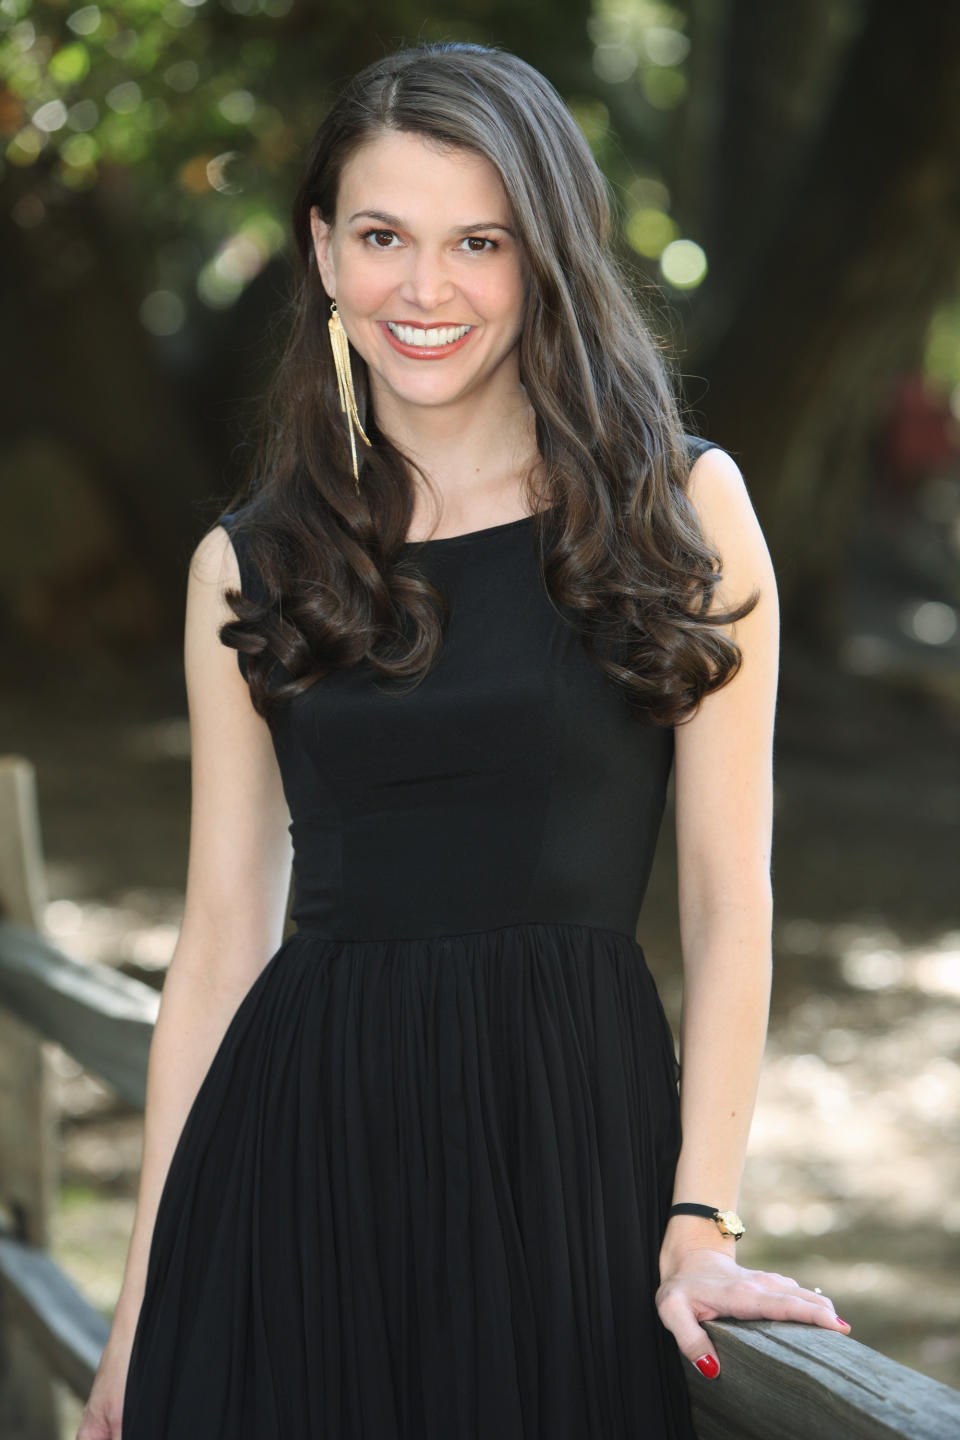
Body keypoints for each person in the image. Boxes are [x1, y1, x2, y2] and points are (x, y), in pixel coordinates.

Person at [78, 39, 851, 1440]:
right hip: (291, 1166)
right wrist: (142, 1308)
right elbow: (215, 945)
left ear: (545, 255)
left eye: (477, 242)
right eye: (382, 236)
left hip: (564, 1154)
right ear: (320, 249)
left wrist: (698, 1219)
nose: (424, 291)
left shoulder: (680, 513)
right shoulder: (246, 566)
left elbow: (732, 902)